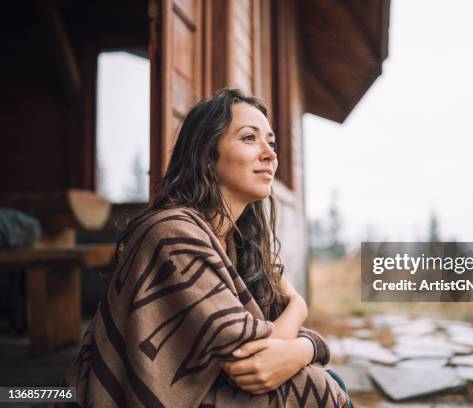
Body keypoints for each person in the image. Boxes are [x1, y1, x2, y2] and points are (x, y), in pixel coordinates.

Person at [62, 89, 351, 407]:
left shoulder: (235, 241)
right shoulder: (172, 235)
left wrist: (301, 346)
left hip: (202, 388)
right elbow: (253, 359)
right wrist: (303, 320)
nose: (270, 153)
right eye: (249, 138)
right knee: (317, 385)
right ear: (207, 155)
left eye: (271, 142)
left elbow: (269, 356)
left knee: (327, 380)